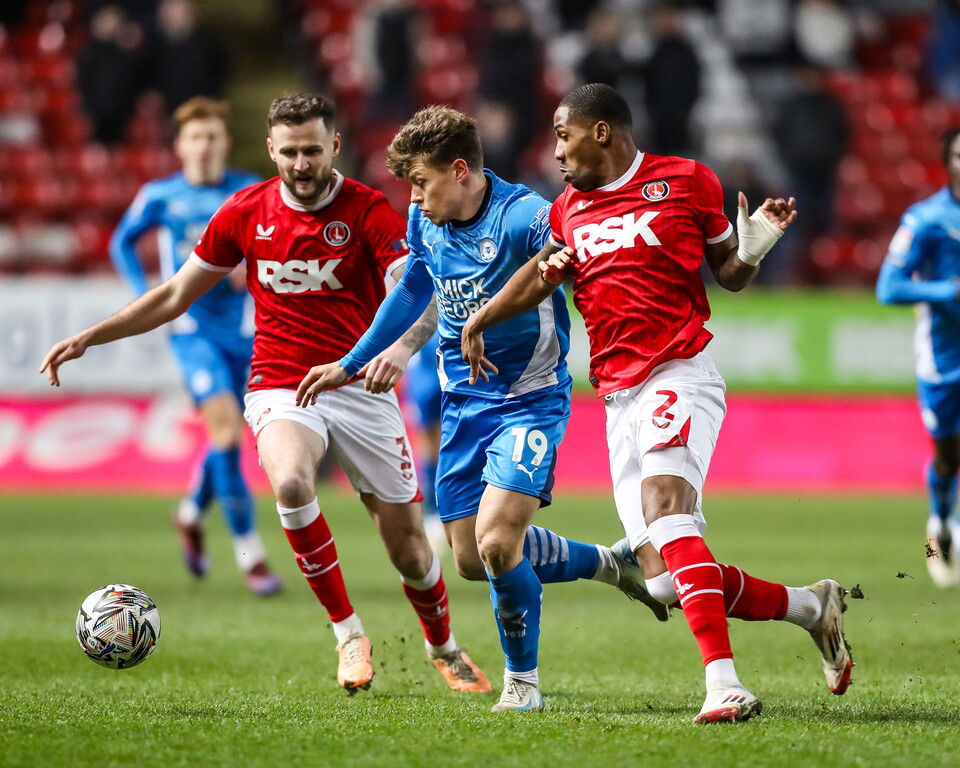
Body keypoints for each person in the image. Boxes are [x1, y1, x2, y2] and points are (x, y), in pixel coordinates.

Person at [42, 93, 490, 696]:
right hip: (281, 383)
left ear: (334, 146)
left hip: (360, 386)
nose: (302, 164)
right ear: (272, 150)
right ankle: (347, 633)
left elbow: (417, 293)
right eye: (290, 152)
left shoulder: (369, 211)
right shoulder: (244, 211)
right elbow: (174, 295)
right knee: (291, 483)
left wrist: (400, 349)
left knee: (409, 549)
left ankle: (443, 646)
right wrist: (92, 336)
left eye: (313, 150)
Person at [460, 83, 854, 723]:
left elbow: (730, 274)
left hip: (678, 371)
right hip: (616, 398)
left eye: (563, 135)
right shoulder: (566, 211)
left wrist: (755, 244)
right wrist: (482, 317)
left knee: (666, 508)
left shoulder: (687, 181)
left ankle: (723, 684)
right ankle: (811, 606)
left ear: (601, 132)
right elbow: (540, 273)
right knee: (664, 581)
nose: (556, 151)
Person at [295, 105, 671, 714]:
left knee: (498, 542)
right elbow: (413, 287)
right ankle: (611, 563)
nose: (414, 198)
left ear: (460, 171)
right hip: (464, 404)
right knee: (472, 559)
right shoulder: (426, 219)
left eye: (421, 182)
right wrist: (352, 361)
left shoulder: (523, 216)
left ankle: (522, 683)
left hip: (530, 398)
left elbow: (577, 256)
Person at [108, 96, 281, 597]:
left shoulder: (249, 190)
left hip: (246, 331)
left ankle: (189, 513)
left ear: (225, 143)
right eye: (195, 137)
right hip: (191, 331)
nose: (203, 146)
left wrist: (253, 265)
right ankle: (252, 557)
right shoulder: (160, 195)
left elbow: (278, 241)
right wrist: (144, 293)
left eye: (212, 137)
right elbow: (122, 241)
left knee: (228, 435)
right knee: (226, 433)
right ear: (180, 146)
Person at [876, 127, 960, 588]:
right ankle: (938, 527)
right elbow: (888, 287)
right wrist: (948, 291)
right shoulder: (927, 219)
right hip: (944, 361)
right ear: (948, 162)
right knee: (947, 458)